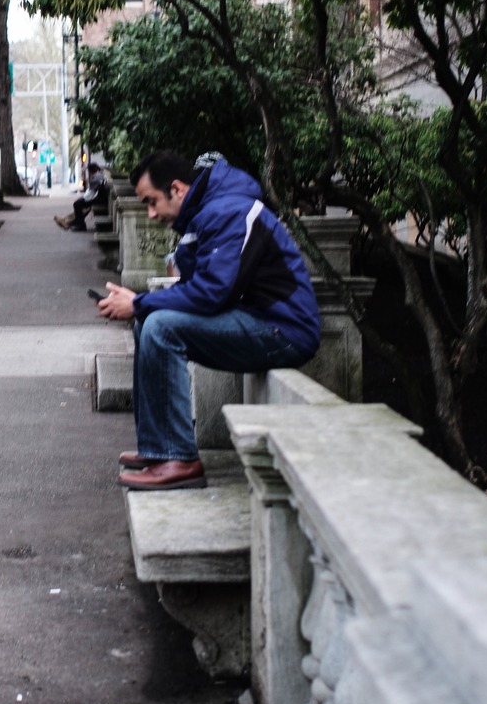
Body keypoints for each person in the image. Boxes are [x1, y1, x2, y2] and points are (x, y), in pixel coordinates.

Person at [97, 151, 321, 491]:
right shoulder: (206, 213)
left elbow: (212, 293)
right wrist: (144, 305)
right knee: (150, 323)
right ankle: (159, 449)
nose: (151, 213)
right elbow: (203, 288)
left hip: (284, 331)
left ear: (177, 189)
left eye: (152, 202)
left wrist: (140, 301)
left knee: (158, 325)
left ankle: (180, 459)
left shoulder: (229, 211)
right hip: (255, 318)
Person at [55, 162, 112, 231]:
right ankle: (69, 221)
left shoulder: (96, 177)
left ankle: (78, 224)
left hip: (99, 198)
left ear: (90, 171)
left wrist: (84, 198)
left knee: (77, 204)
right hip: (100, 197)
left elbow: (92, 192)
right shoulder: (99, 175)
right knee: (82, 205)